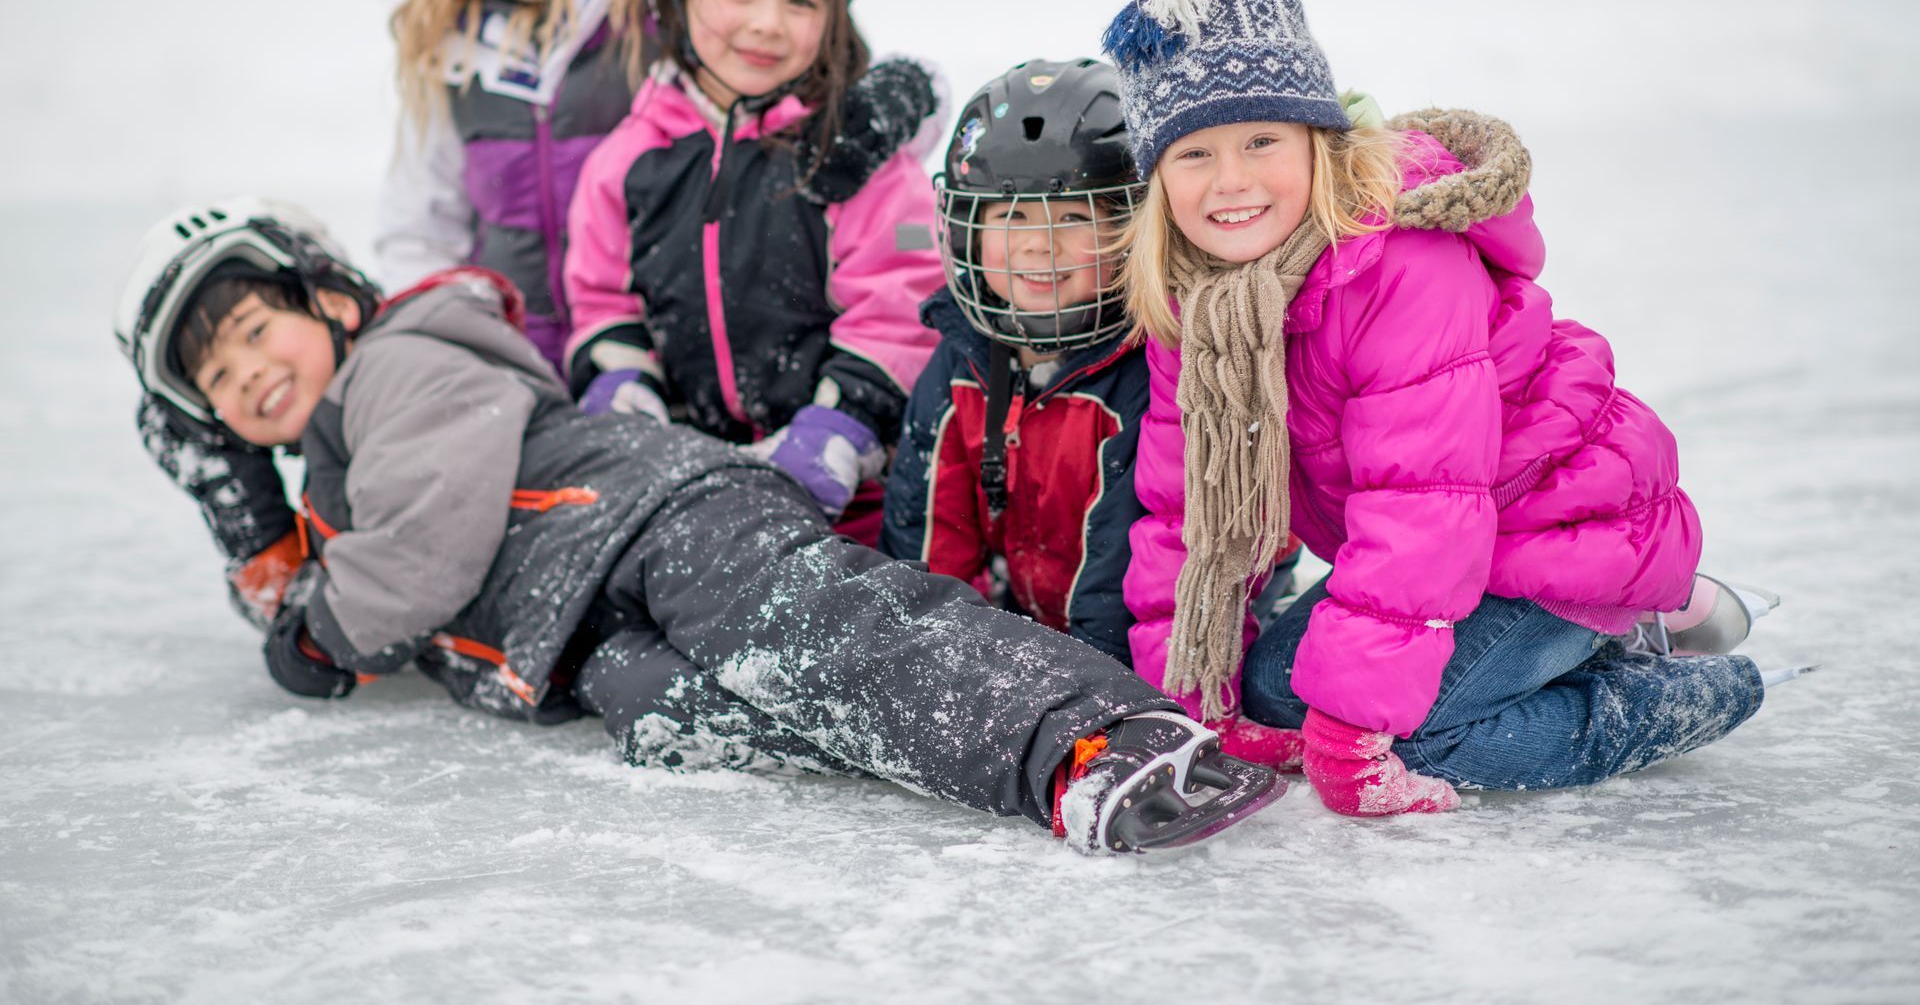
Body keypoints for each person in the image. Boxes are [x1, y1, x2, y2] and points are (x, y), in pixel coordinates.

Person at [115, 198, 1285, 853]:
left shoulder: (399, 363)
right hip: (578, 638)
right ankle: (1018, 758)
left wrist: (312, 644)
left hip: (660, 520)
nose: (248, 374)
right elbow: (314, 578)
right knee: (733, 709)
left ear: (324, 298)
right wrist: (238, 499)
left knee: (834, 639)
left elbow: (410, 563)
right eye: (216, 380)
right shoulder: (327, 475)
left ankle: (1093, 734)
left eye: (257, 333)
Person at [1101, 0, 1791, 817]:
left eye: (1262, 142)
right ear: (1157, 181)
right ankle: (1599, 632)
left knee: (1413, 733)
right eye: (1194, 153)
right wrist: (1196, 699)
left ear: (1319, 141)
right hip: (1460, 546)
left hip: (1558, 526)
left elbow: (1420, 505)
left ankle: (1688, 678)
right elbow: (1186, 512)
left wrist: (1355, 735)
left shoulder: (1396, 265)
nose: (1231, 180)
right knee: (1277, 698)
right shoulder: (1198, 307)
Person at [881, 58, 1302, 772]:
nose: (1039, 244)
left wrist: (1098, 699)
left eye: (1074, 218)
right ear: (964, 232)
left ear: (1133, 228)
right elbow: (930, 541)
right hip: (1035, 626)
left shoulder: (1160, 368)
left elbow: (1140, 563)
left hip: (1174, 651)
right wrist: (933, 668)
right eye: (1009, 218)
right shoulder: (958, 364)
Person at [563, 0, 946, 538]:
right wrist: (622, 380)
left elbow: (901, 302)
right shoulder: (628, 161)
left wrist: (840, 425)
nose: (767, 24)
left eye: (802, 1)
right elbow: (600, 296)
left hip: (851, 506)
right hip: (682, 490)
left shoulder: (853, 156)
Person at [369, 0, 656, 373]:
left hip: (665, 361)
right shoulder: (453, 49)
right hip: (521, 374)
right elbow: (419, 232)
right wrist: (451, 357)